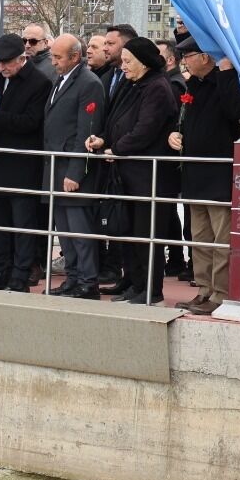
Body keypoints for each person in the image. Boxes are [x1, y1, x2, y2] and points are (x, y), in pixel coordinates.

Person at [86, 36, 177, 304]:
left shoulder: (158, 87)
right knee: (129, 234)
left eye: (128, 61)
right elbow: (116, 119)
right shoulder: (132, 84)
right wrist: (104, 139)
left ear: (144, 63)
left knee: (146, 235)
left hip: (149, 176)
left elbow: (145, 129)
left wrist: (117, 148)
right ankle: (134, 284)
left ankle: (151, 290)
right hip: (127, 173)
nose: (122, 66)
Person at [167, 40, 240, 314]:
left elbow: (237, 113)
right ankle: (203, 288)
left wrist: (226, 73)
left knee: (220, 238)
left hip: (219, 174)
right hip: (195, 173)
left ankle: (221, 291)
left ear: (205, 56)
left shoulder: (227, 80)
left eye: (187, 55)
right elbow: (186, 117)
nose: (184, 61)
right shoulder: (194, 85)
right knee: (199, 237)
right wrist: (176, 133)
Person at [0, 35, 51, 292]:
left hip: (23, 165)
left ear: (23, 58)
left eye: (7, 63)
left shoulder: (39, 83)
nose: (2, 68)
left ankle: (21, 276)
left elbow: (31, 122)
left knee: (23, 226)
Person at [43, 35, 105, 299]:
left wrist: (75, 172)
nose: (53, 62)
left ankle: (88, 281)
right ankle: (73, 277)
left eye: (58, 57)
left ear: (74, 57)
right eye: (52, 57)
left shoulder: (88, 83)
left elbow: (86, 132)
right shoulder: (61, 79)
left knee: (79, 231)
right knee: (64, 232)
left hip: (72, 170)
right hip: (55, 166)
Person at [102, 24, 139, 96]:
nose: (104, 48)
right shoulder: (104, 77)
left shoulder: (140, 78)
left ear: (127, 46)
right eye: (105, 44)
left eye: (110, 43)